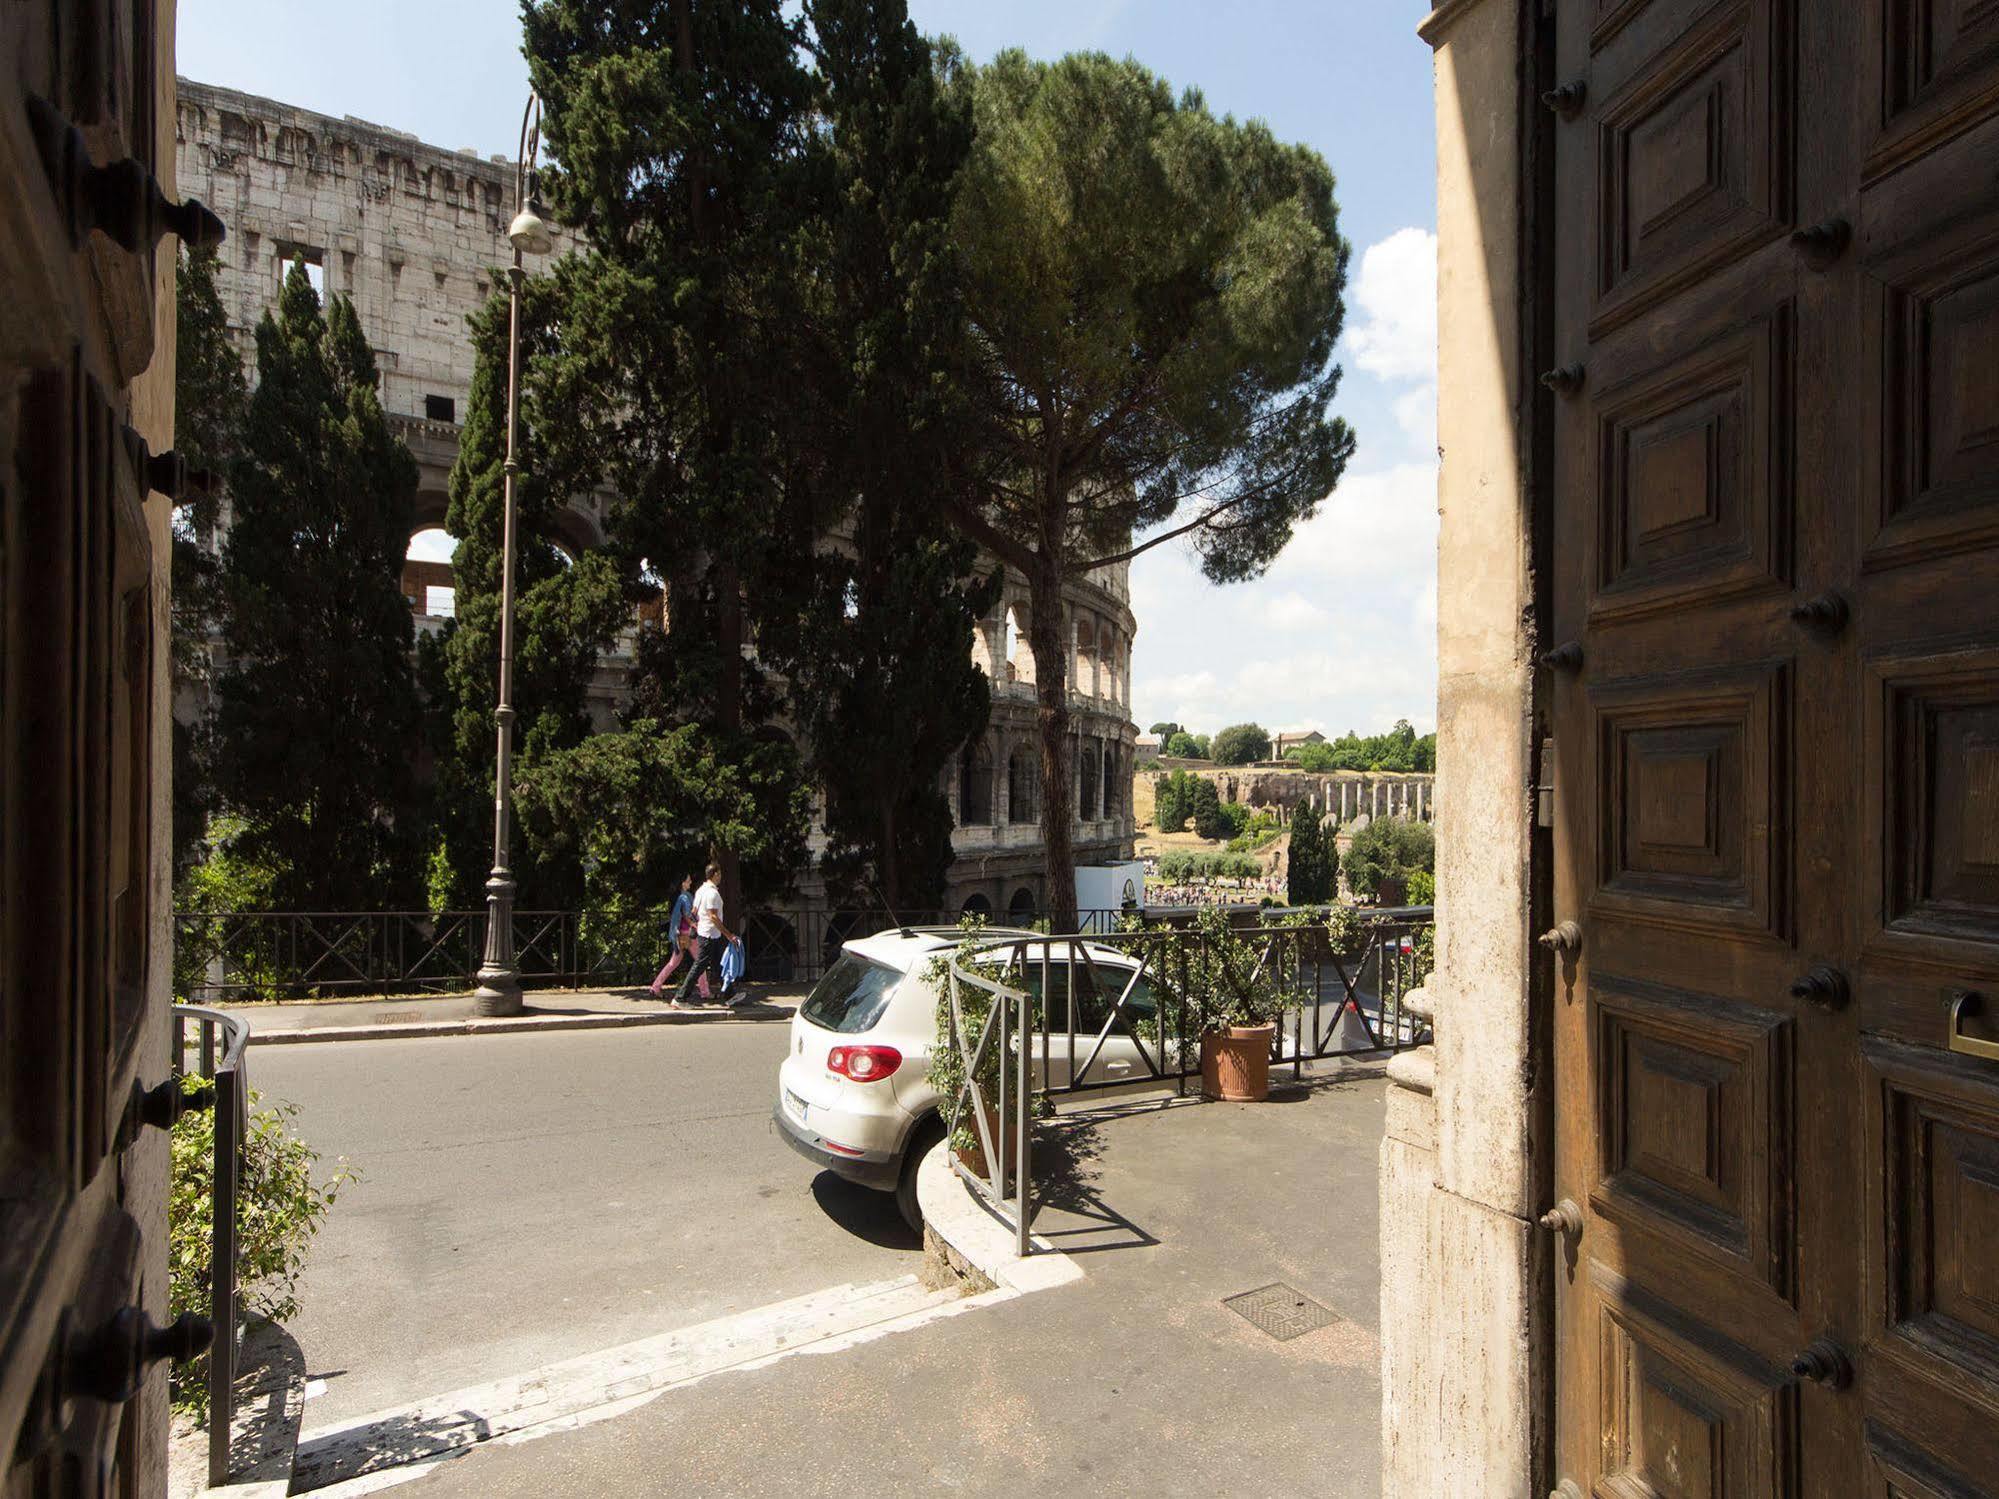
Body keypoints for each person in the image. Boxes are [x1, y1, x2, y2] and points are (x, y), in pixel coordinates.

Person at [673, 862, 743, 1008]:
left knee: (719, 964)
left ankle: (730, 995)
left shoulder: (700, 891)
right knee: (699, 965)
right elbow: (714, 917)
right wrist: (729, 935)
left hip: (707, 934)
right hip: (710, 935)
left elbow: (693, 911)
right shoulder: (712, 893)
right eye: (720, 874)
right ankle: (680, 998)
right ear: (715, 874)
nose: (721, 876)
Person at [647, 873, 703, 999]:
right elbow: (688, 915)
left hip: (680, 934)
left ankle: (655, 987)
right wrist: (696, 926)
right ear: (683, 883)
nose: (690, 882)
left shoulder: (680, 897)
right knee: (700, 961)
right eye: (688, 881)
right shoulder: (685, 897)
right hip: (689, 934)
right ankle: (705, 992)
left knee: (673, 963)